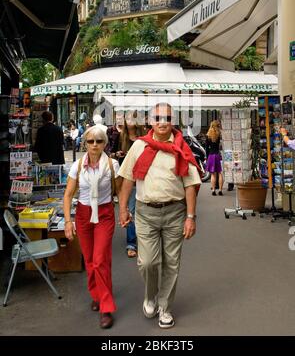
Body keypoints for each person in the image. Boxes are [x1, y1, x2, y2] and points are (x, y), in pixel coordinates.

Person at [118, 103, 201, 329]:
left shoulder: (181, 147)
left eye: (166, 117)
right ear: (150, 121)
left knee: (172, 263)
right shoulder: (139, 146)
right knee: (147, 262)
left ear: (172, 120)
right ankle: (150, 296)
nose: (162, 121)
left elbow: (190, 184)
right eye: (158, 117)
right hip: (145, 212)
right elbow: (127, 179)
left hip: (175, 212)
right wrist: (123, 208)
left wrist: (191, 217)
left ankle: (165, 306)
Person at [64, 126, 121, 329]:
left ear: (105, 143)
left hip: (104, 214)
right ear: (85, 143)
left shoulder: (112, 165)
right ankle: (96, 294)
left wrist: (124, 211)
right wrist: (68, 222)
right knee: (89, 260)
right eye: (90, 141)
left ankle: (106, 306)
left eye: (99, 141)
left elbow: (121, 191)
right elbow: (69, 195)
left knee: (99, 260)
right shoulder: (78, 166)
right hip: (83, 214)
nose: (95, 145)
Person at [115, 110, 145, 258]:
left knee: (144, 210)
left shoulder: (145, 138)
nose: (130, 121)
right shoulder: (121, 137)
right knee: (131, 209)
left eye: (133, 118)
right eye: (127, 118)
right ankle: (131, 243)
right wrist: (118, 154)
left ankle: (145, 239)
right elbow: (112, 154)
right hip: (128, 179)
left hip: (143, 177)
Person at [205, 120, 224, 196]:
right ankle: (220, 190)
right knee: (220, 173)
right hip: (219, 155)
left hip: (211, 155)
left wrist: (207, 157)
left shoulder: (208, 136)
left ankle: (213, 190)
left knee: (213, 174)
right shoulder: (220, 135)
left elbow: (206, 148)